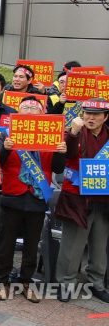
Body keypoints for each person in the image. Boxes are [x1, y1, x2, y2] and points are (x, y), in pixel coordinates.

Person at [0, 96, 67, 302]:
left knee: (32, 244)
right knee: (5, 242)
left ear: (42, 114)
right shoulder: (7, 135)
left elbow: (58, 168)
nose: (30, 112)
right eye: (25, 109)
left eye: (34, 109)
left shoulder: (51, 135)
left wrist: (62, 152)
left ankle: (26, 281)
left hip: (37, 196)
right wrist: (5, 149)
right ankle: (1, 280)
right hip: (12, 194)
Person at [55, 97, 109, 303]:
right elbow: (65, 157)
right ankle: (65, 283)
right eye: (87, 113)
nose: (90, 117)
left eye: (96, 114)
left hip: (103, 198)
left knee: (99, 243)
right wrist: (74, 133)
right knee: (72, 244)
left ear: (105, 117)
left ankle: (97, 283)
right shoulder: (73, 133)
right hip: (76, 197)